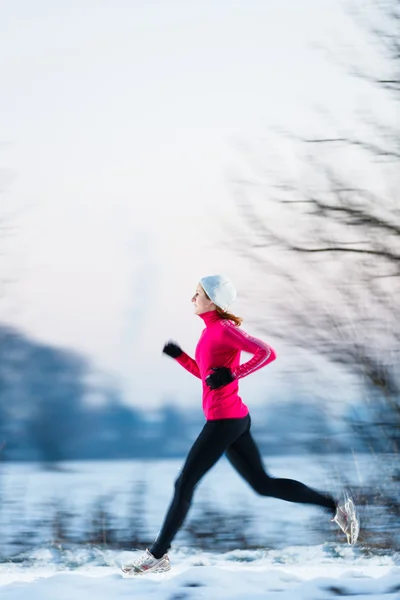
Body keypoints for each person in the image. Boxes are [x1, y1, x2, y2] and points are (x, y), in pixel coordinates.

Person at [122, 275, 359, 575]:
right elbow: (207, 375)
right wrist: (181, 357)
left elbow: (266, 353)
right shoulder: (210, 332)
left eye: (197, 294)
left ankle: (157, 556)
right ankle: (337, 507)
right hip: (232, 418)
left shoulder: (224, 330)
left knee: (184, 484)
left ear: (212, 300)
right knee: (263, 484)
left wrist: (233, 375)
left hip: (225, 420)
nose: (192, 299)